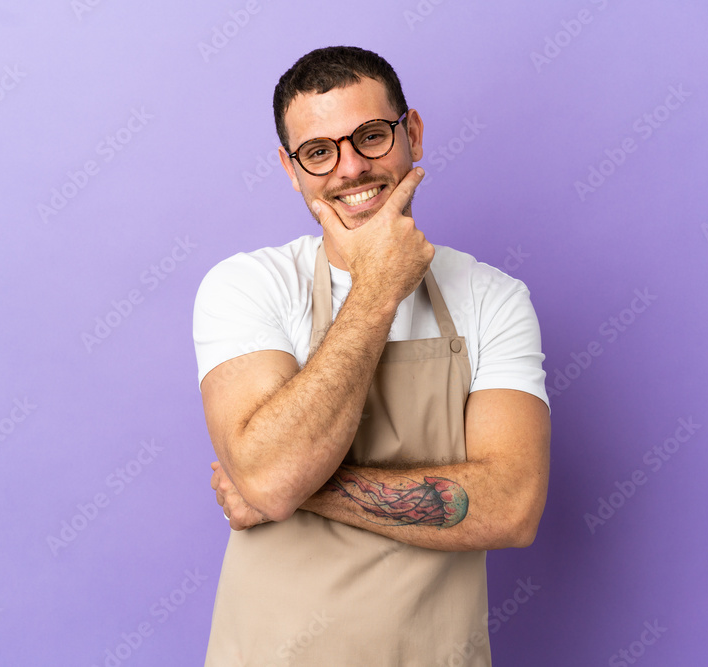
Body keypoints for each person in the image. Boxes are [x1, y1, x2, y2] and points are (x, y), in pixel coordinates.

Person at [193, 45, 550, 666]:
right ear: (290, 168)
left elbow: (511, 506)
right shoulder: (248, 285)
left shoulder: (495, 298)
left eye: (371, 136)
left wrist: (290, 488)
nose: (350, 168)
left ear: (411, 131)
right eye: (319, 151)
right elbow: (269, 477)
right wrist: (378, 286)